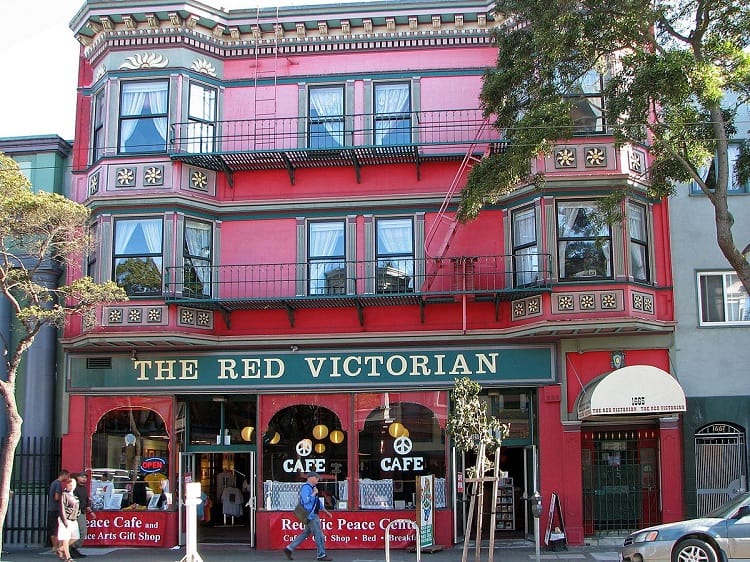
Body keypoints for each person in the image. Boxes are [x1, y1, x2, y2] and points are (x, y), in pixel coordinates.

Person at [284, 472, 333, 561]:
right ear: (311, 478)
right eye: (317, 478)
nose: (318, 481)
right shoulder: (306, 488)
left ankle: (289, 548)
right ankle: (321, 554)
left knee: (306, 533)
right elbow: (306, 500)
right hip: (311, 515)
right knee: (319, 535)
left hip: (311, 514)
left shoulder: (312, 488)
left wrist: (325, 511)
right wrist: (314, 493)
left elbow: (317, 502)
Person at [57, 477, 81, 562]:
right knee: (66, 538)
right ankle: (68, 557)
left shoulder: (74, 495)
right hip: (66, 518)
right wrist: (64, 520)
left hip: (73, 519)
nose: (71, 486)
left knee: (76, 537)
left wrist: (77, 514)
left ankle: (60, 549)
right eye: (69, 485)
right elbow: (62, 508)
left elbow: (77, 507)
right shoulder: (64, 494)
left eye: (72, 485)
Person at [48, 469, 70, 556]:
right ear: (63, 475)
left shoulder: (54, 483)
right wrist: (64, 496)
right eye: (67, 476)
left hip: (51, 508)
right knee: (56, 528)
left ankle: (55, 547)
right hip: (55, 509)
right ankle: (56, 547)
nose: (68, 478)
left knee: (53, 528)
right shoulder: (58, 484)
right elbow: (57, 497)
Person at [71, 472, 90, 558]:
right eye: (82, 477)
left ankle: (73, 548)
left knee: (82, 532)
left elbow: (86, 499)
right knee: (80, 532)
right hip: (76, 512)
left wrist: (88, 507)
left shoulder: (84, 488)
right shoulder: (74, 488)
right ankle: (71, 548)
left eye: (85, 477)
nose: (84, 479)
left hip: (82, 511)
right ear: (77, 478)